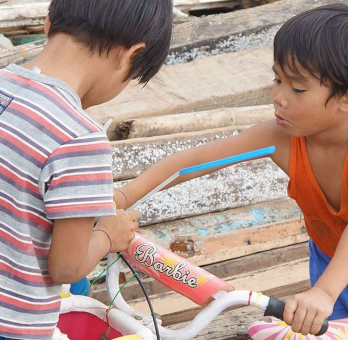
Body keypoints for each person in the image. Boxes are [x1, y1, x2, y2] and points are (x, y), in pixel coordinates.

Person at [0, 0, 174, 339]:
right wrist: (109, 235)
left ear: (48, 23)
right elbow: (66, 267)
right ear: (129, 56)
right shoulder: (81, 137)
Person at [113, 4, 348, 337]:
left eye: (297, 88)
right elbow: (189, 163)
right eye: (277, 79)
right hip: (327, 262)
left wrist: (325, 291)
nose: (279, 97)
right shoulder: (280, 138)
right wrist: (120, 197)